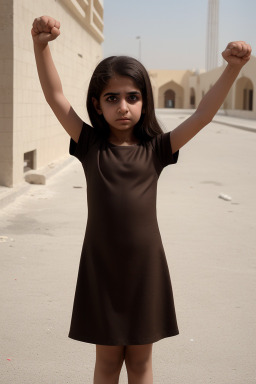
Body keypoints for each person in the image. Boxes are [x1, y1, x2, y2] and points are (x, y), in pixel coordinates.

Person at [31, 15, 251, 384]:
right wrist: (41, 47)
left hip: (145, 270)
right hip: (100, 267)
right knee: (106, 364)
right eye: (111, 98)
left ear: (144, 102)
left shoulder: (156, 149)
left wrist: (232, 69)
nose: (122, 106)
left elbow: (202, 115)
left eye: (132, 97)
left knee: (141, 364)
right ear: (97, 104)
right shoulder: (89, 146)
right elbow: (56, 98)